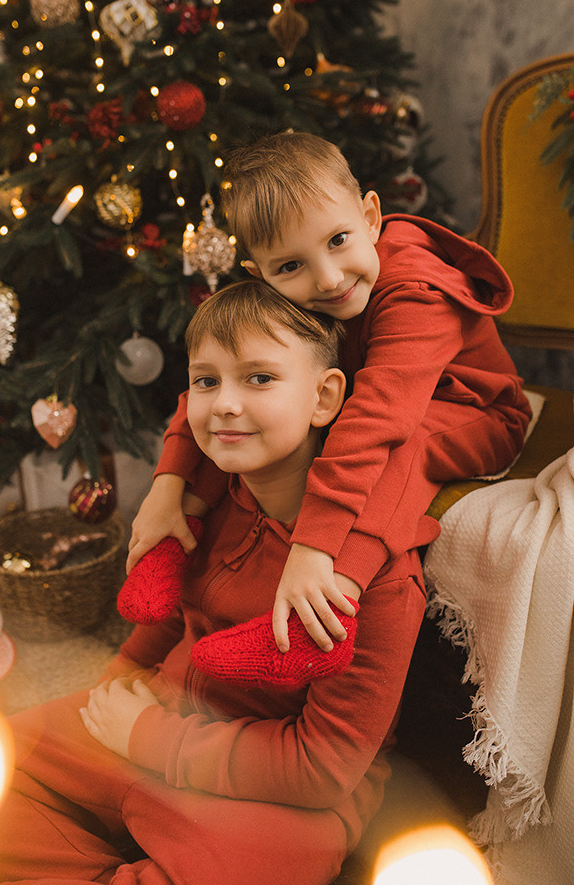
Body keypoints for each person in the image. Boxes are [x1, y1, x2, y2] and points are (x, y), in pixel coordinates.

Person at [0, 280, 426, 885]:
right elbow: (164, 622)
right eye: (206, 380)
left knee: (267, 860)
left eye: (260, 379)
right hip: (153, 726)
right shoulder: (206, 503)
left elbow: (323, 769)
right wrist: (110, 702)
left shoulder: (374, 575)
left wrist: (151, 739)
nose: (223, 404)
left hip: (272, 793)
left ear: (324, 398)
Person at [122, 131, 531, 687]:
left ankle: (325, 616)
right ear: (258, 272)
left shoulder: (416, 290)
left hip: (469, 409)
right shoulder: (297, 295)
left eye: (339, 239)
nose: (330, 278)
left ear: (370, 216)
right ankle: (174, 543)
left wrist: (314, 547)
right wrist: (166, 488)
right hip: (362, 394)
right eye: (290, 266)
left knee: (402, 448)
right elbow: (213, 381)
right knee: (237, 408)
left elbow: (380, 419)